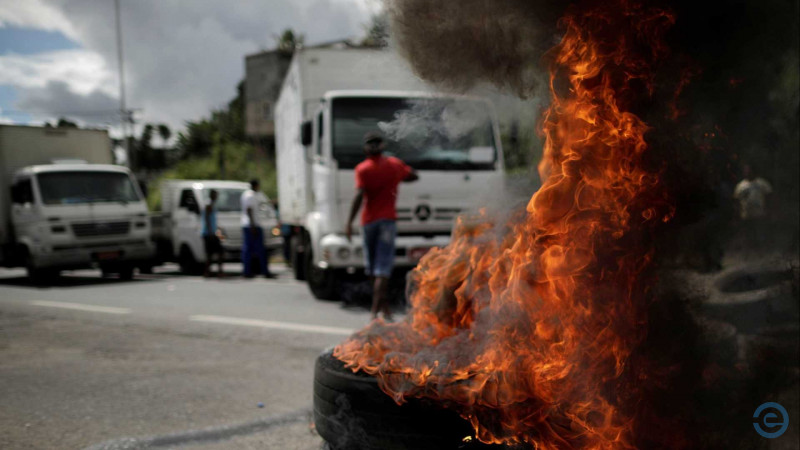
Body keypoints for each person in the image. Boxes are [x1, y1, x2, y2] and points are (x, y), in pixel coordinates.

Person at [345, 131, 418, 321]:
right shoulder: (394, 164)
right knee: (383, 268)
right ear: (382, 146)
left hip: (369, 222)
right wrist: (399, 176)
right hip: (387, 221)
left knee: (372, 268)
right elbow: (413, 176)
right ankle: (379, 308)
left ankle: (377, 309)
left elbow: (359, 196)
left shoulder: (363, 169)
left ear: (365, 148)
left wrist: (348, 222)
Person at [733, 164, 773, 249]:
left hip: (760, 213)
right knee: (748, 235)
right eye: (745, 171)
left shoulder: (762, 183)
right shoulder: (741, 186)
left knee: (760, 234)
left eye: (749, 170)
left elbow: (769, 196)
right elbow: (736, 200)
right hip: (746, 214)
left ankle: (762, 251)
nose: (747, 172)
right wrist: (737, 212)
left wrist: (769, 209)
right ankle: (749, 252)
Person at [241, 179, 274, 278]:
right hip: (252, 225)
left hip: (249, 224)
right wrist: (252, 226)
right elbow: (249, 210)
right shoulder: (250, 195)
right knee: (257, 249)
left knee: (249, 249)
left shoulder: (247, 194)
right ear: (256, 185)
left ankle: (249, 271)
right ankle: (260, 271)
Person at [202, 189, 225, 277]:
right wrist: (211, 232)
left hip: (211, 232)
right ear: (212, 195)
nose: (217, 197)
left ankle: (208, 271)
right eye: (215, 195)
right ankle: (216, 271)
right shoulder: (209, 204)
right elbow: (207, 219)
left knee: (211, 254)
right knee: (218, 252)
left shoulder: (212, 204)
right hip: (209, 233)